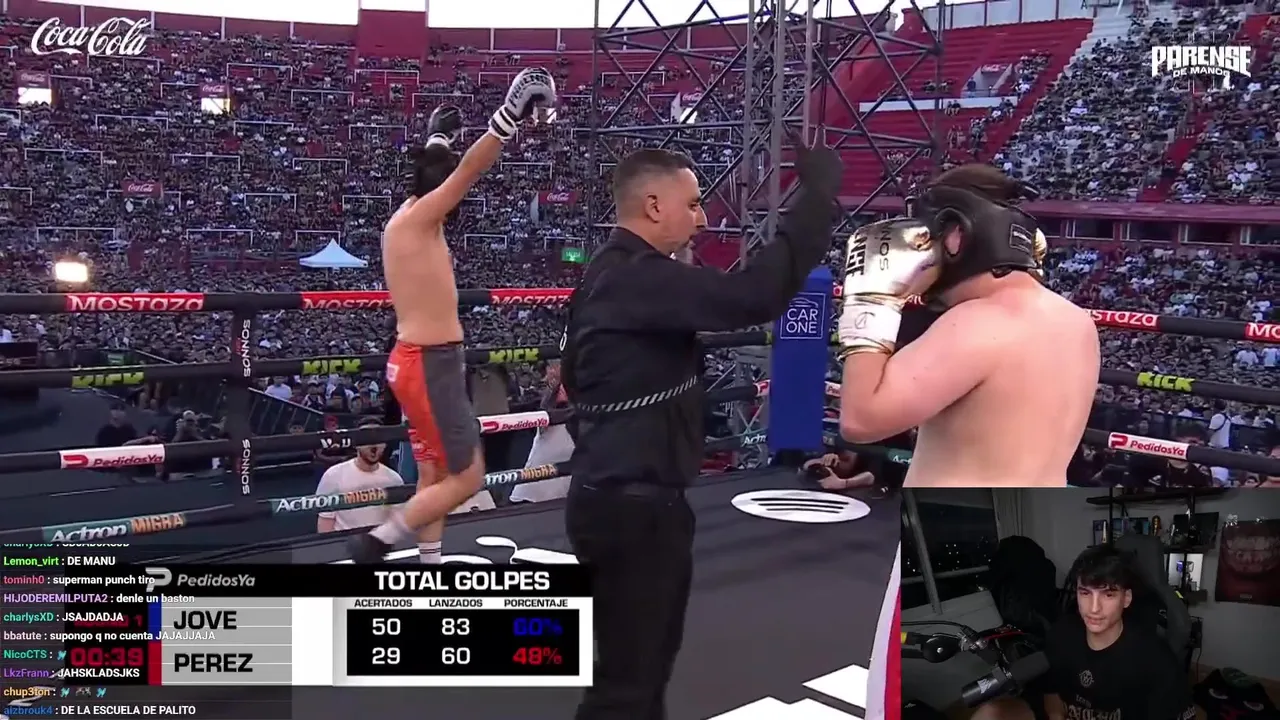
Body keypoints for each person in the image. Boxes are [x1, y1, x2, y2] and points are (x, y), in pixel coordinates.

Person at [559, 141, 842, 719]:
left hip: (621, 498)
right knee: (628, 683)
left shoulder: (609, 272)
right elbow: (754, 296)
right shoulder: (639, 278)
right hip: (633, 508)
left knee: (639, 672)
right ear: (654, 206)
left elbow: (574, 374)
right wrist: (815, 199)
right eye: (692, 204)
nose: (703, 218)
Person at [347, 67, 557, 563]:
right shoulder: (422, 218)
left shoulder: (406, 218)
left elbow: (441, 173)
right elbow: (468, 171)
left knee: (434, 475)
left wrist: (437, 138)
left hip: (413, 361)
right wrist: (509, 115)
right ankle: (380, 538)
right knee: (468, 477)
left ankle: (430, 565)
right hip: (431, 364)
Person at [836, 164, 1100, 487]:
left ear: (956, 235)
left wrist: (871, 297)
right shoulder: (1077, 322)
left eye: (925, 233)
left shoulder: (976, 322)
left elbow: (860, 420)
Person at [973, 546, 1194, 720]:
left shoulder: (1154, 657)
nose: (1094, 608)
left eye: (1108, 595)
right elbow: (1051, 691)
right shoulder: (1062, 633)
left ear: (1126, 599)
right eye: (1085, 593)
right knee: (989, 713)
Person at [316, 418, 406, 533]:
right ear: (356, 444)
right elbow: (325, 523)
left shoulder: (394, 479)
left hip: (380, 540)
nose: (374, 446)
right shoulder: (333, 475)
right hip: (344, 541)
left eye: (379, 440)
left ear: (385, 444)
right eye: (368, 439)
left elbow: (397, 525)